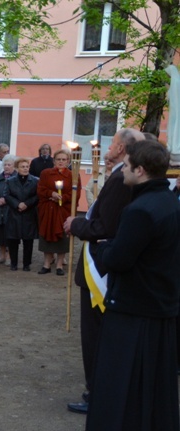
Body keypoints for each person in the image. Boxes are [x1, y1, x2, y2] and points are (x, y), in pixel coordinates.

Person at [85, 139, 180, 431]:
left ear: (140, 170)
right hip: (159, 306)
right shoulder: (168, 201)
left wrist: (102, 248)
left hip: (133, 309)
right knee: (152, 387)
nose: (121, 169)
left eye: (126, 166)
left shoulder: (139, 209)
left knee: (121, 384)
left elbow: (120, 260)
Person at [62, 127, 145, 414]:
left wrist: (77, 225)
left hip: (101, 267)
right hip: (108, 264)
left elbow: (104, 227)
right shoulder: (125, 175)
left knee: (96, 335)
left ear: (121, 148)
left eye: (112, 145)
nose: (108, 150)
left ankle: (96, 392)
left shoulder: (125, 178)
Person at [36, 149, 76, 276]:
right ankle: (46, 264)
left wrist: (63, 198)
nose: (61, 162)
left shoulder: (73, 175)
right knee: (47, 234)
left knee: (62, 236)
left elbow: (76, 193)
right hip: (48, 209)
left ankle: (59, 265)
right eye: (58, 159)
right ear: (54, 161)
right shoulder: (45, 173)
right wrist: (51, 194)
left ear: (68, 161)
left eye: (64, 159)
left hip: (63, 210)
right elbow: (40, 189)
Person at [5, 158, 39, 271]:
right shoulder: (10, 181)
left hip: (29, 213)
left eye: (26, 166)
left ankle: (26, 264)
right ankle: (13, 263)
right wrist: (17, 204)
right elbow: (7, 195)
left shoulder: (35, 181)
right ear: (16, 168)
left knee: (28, 240)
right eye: (22, 166)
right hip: (14, 213)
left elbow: (37, 196)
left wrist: (27, 204)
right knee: (13, 240)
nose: (25, 168)